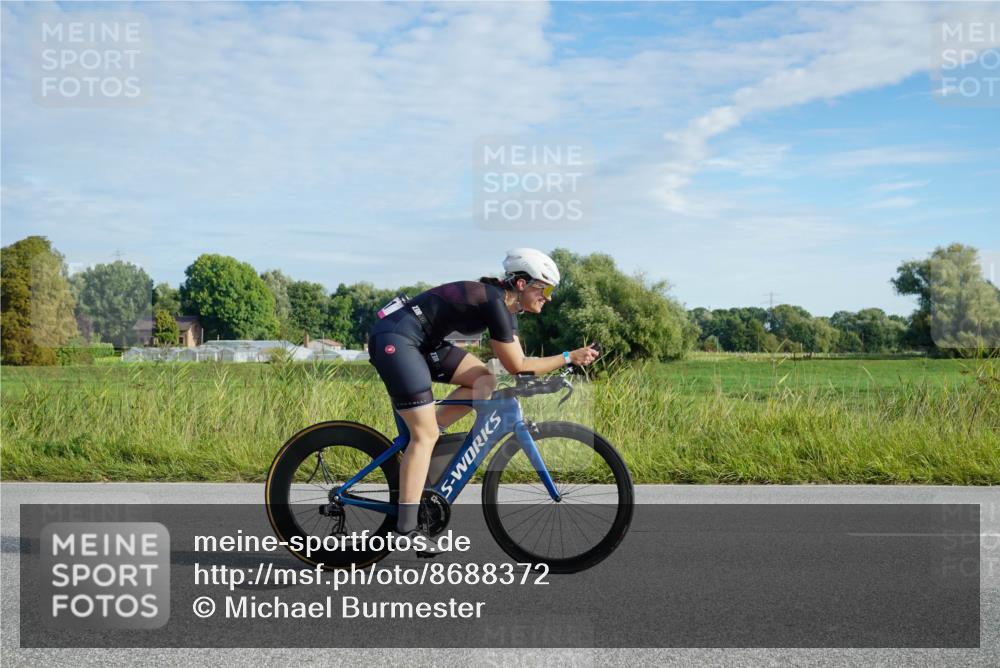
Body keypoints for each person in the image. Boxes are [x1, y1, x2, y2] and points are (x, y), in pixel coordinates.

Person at [366, 248, 600, 547]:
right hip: (396, 338)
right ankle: (407, 529)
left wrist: (551, 375)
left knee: (483, 381)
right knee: (422, 436)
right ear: (521, 284)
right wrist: (568, 356)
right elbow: (519, 365)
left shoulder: (503, 307)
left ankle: (427, 440)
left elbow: (520, 366)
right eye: (546, 288)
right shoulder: (493, 302)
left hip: (423, 342)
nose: (549, 297)